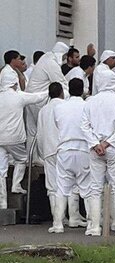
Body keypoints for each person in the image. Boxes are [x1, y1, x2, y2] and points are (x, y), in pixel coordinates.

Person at [81, 69, 115, 236]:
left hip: (95, 150)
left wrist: (96, 144)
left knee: (95, 187)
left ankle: (95, 226)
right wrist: (107, 143)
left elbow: (84, 126)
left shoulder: (90, 101)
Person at [0, 70, 48, 208]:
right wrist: (50, 90)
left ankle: (2, 202)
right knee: (21, 159)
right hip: (15, 138)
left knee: (1, 170)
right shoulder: (18, 97)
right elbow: (37, 97)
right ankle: (16, 185)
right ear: (14, 83)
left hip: (0, 138)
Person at [52, 78, 93, 233]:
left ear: (68, 89)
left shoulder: (60, 107)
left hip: (64, 149)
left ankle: (57, 224)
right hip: (84, 149)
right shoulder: (87, 106)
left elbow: (58, 125)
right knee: (87, 188)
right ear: (83, 90)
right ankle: (92, 223)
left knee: (62, 187)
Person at [25, 42, 70, 165]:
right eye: (65, 56)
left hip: (31, 97)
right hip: (39, 99)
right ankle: (40, 156)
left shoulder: (46, 58)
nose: (65, 59)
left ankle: (32, 158)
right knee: (40, 129)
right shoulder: (51, 63)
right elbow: (61, 83)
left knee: (32, 131)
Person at [37, 83, 65, 233]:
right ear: (61, 92)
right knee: (68, 184)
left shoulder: (43, 110)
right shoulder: (65, 106)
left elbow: (39, 134)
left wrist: (42, 152)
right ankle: (71, 217)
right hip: (64, 148)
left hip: (49, 150)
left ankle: (57, 220)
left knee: (52, 186)